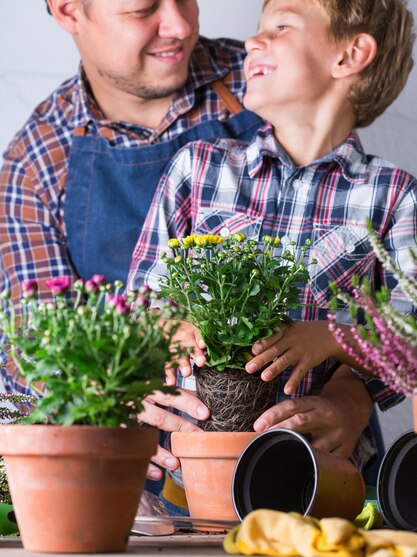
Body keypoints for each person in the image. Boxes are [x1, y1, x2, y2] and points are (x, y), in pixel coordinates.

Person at [0, 0, 375, 507]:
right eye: (143, 9)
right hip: (152, 482)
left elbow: (364, 278)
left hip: (315, 454)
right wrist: (103, 402)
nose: (179, 26)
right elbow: (30, 363)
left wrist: (352, 398)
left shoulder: (263, 76)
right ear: (69, 11)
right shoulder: (37, 163)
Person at [128, 0, 417, 510]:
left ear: (352, 54)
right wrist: (166, 329)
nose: (251, 42)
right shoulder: (198, 169)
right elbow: (142, 301)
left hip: (326, 472)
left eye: (280, 27)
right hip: (192, 468)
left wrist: (335, 338)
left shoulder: (395, 196)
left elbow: (410, 333)